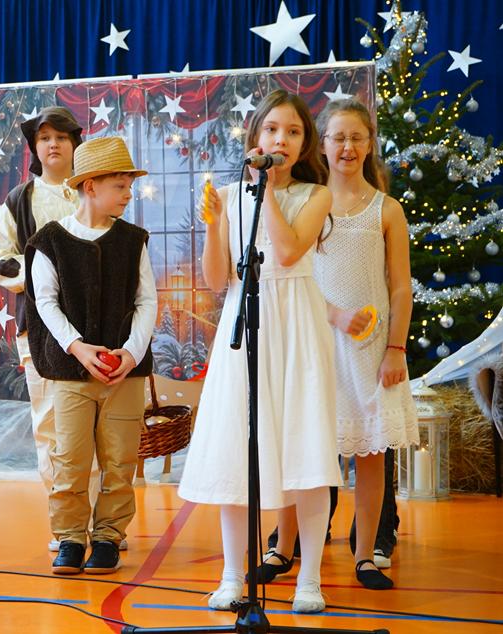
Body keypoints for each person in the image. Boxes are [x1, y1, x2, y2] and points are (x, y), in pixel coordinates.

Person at [177, 90, 340, 613]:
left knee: (306, 444)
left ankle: (309, 579)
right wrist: (213, 224)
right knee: (236, 444)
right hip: (244, 323)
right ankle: (232, 575)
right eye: (271, 129)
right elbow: (216, 279)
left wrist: (263, 189)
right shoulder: (227, 196)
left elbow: (288, 251)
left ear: (305, 143)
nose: (280, 139)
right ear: (255, 137)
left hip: (296, 324)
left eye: (292, 132)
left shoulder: (316, 195)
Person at [267, 99, 418, 591]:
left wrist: (395, 348)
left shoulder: (386, 210)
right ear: (323, 146)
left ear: (369, 144)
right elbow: (293, 271)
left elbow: (400, 287)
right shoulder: (310, 202)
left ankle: (366, 554)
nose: (347, 147)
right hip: (314, 341)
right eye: (338, 137)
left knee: (370, 455)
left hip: (370, 351)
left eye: (357, 137)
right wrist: (334, 315)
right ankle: (282, 546)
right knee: (302, 448)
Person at [25, 136, 157, 575]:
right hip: (71, 373)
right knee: (70, 458)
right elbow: (45, 303)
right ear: (90, 186)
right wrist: (77, 347)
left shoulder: (134, 240)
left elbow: (147, 301)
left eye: (129, 186)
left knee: (120, 461)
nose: (128, 194)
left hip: (125, 375)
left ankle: (107, 537)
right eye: (120, 186)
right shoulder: (50, 241)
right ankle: (69, 537)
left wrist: (131, 354)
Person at [0, 106, 94, 552]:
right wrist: (44, 274)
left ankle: (101, 523)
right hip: (40, 329)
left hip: (94, 326)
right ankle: (67, 524)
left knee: (95, 426)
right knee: (50, 425)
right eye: (45, 138)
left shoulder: (93, 190)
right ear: (35, 148)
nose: (53, 144)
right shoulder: (19, 200)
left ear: (74, 144)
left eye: (61, 137)